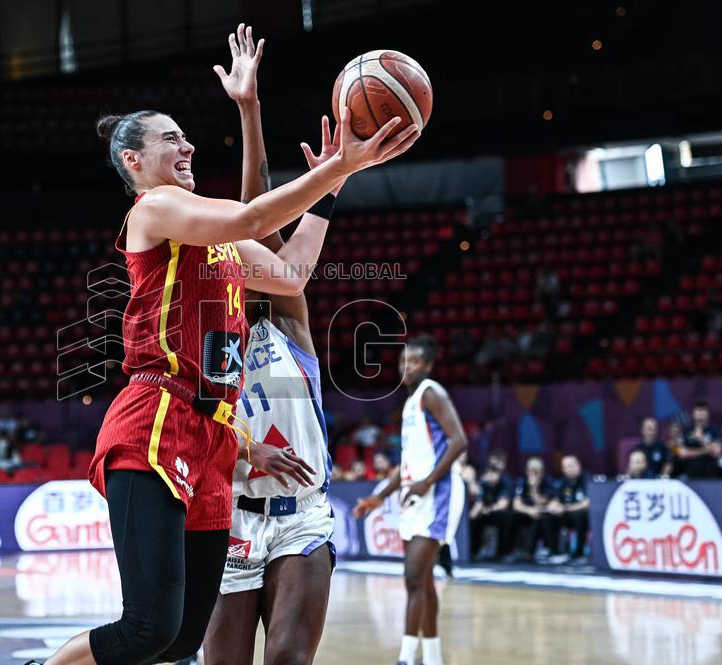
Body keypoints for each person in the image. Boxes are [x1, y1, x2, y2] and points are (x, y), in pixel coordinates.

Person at [37, 22, 421, 665]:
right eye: (169, 138)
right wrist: (333, 164)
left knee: (182, 639)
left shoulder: (221, 250)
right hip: (153, 419)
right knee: (149, 630)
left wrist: (335, 179)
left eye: (186, 136)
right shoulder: (153, 210)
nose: (186, 145)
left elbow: (291, 270)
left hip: (214, 435)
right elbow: (252, 214)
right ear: (134, 161)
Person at [203, 27, 340, 665]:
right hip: (229, 518)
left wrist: (250, 110)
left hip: (302, 517)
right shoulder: (204, 341)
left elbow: (256, 206)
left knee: (288, 658)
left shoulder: (287, 319)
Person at [354, 336, 467, 665]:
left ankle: (405, 659)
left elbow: (460, 440)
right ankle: (432, 659)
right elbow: (405, 465)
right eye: (404, 361)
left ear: (428, 365)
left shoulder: (432, 392)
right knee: (424, 582)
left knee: (414, 578)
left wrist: (427, 481)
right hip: (419, 492)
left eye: (415, 361)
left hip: (440, 492)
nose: (407, 366)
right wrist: (378, 498)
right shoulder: (411, 403)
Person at [507, 456, 557, 563]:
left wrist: (534, 488)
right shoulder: (522, 481)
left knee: (541, 518)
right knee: (510, 515)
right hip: (527, 513)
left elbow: (542, 502)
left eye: (537, 471)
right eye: (531, 470)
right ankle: (511, 551)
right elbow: (516, 504)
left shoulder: (548, 482)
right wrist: (529, 510)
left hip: (543, 514)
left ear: (542, 471)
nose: (533, 474)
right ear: (527, 470)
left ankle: (545, 551)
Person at [547, 455, 589, 563]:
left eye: (572, 465)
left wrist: (565, 508)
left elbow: (587, 503)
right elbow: (556, 499)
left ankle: (579, 554)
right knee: (549, 516)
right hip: (568, 514)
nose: (569, 469)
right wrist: (554, 506)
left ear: (579, 465)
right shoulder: (564, 481)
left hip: (584, 516)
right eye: (566, 467)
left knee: (580, 515)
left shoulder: (587, 479)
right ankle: (555, 552)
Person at [470, 463, 513, 560]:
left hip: (499, 514)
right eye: (488, 474)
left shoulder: (504, 484)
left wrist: (489, 509)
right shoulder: (483, 485)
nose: (491, 477)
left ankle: (501, 553)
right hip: (486, 514)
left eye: (493, 474)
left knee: (503, 518)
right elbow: (478, 503)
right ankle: (474, 552)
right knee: (474, 521)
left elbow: (503, 504)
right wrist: (471, 517)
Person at [676, 401, 721, 478]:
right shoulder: (687, 431)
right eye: (698, 411)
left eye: (703, 410)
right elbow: (681, 454)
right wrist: (705, 451)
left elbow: (716, 453)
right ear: (693, 414)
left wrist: (701, 438)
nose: (700, 414)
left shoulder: (715, 431)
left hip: (710, 476)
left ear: (708, 414)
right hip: (691, 476)